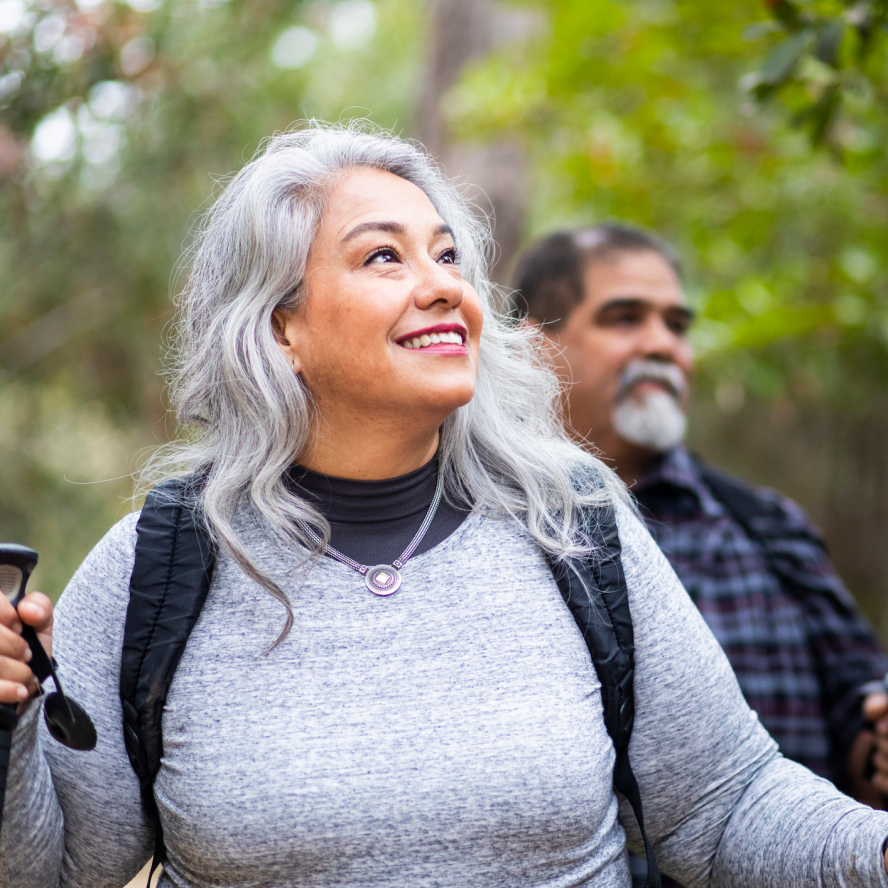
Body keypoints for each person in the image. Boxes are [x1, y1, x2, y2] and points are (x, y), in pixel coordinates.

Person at [2, 126, 888, 888]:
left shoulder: (571, 523)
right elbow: (60, 864)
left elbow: (726, 808)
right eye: (384, 255)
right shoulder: (158, 563)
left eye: (449, 255)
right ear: (282, 328)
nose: (444, 287)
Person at [515, 223, 888, 880]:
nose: (662, 345)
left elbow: (859, 722)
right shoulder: (482, 537)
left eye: (677, 325)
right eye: (624, 318)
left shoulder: (767, 529)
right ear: (535, 346)